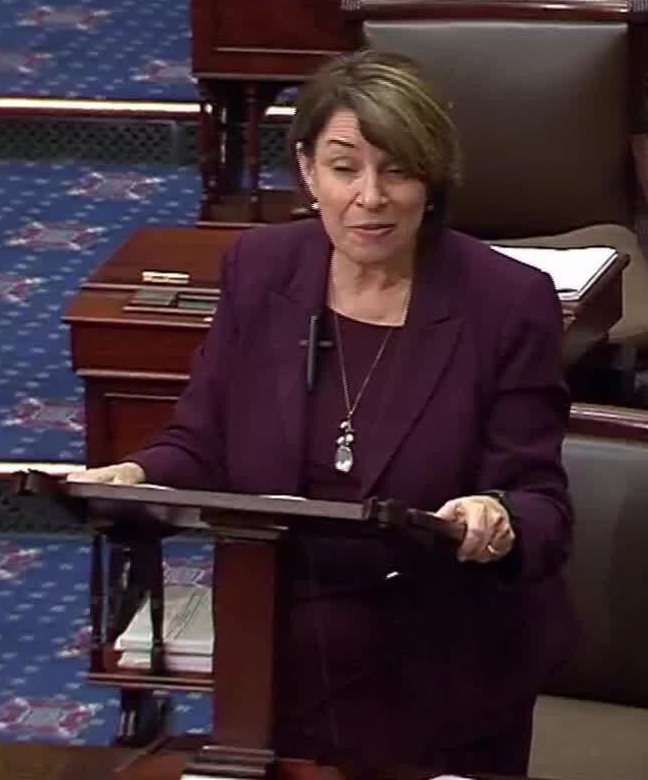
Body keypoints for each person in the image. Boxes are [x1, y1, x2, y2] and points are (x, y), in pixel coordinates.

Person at [67, 50, 577, 774]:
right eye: (345, 168)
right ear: (308, 170)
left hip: (447, 670)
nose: (370, 196)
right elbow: (201, 443)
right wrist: (136, 473)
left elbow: (543, 506)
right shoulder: (261, 269)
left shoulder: (505, 303)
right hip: (278, 658)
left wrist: (495, 516)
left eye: (396, 169)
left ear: (431, 179)